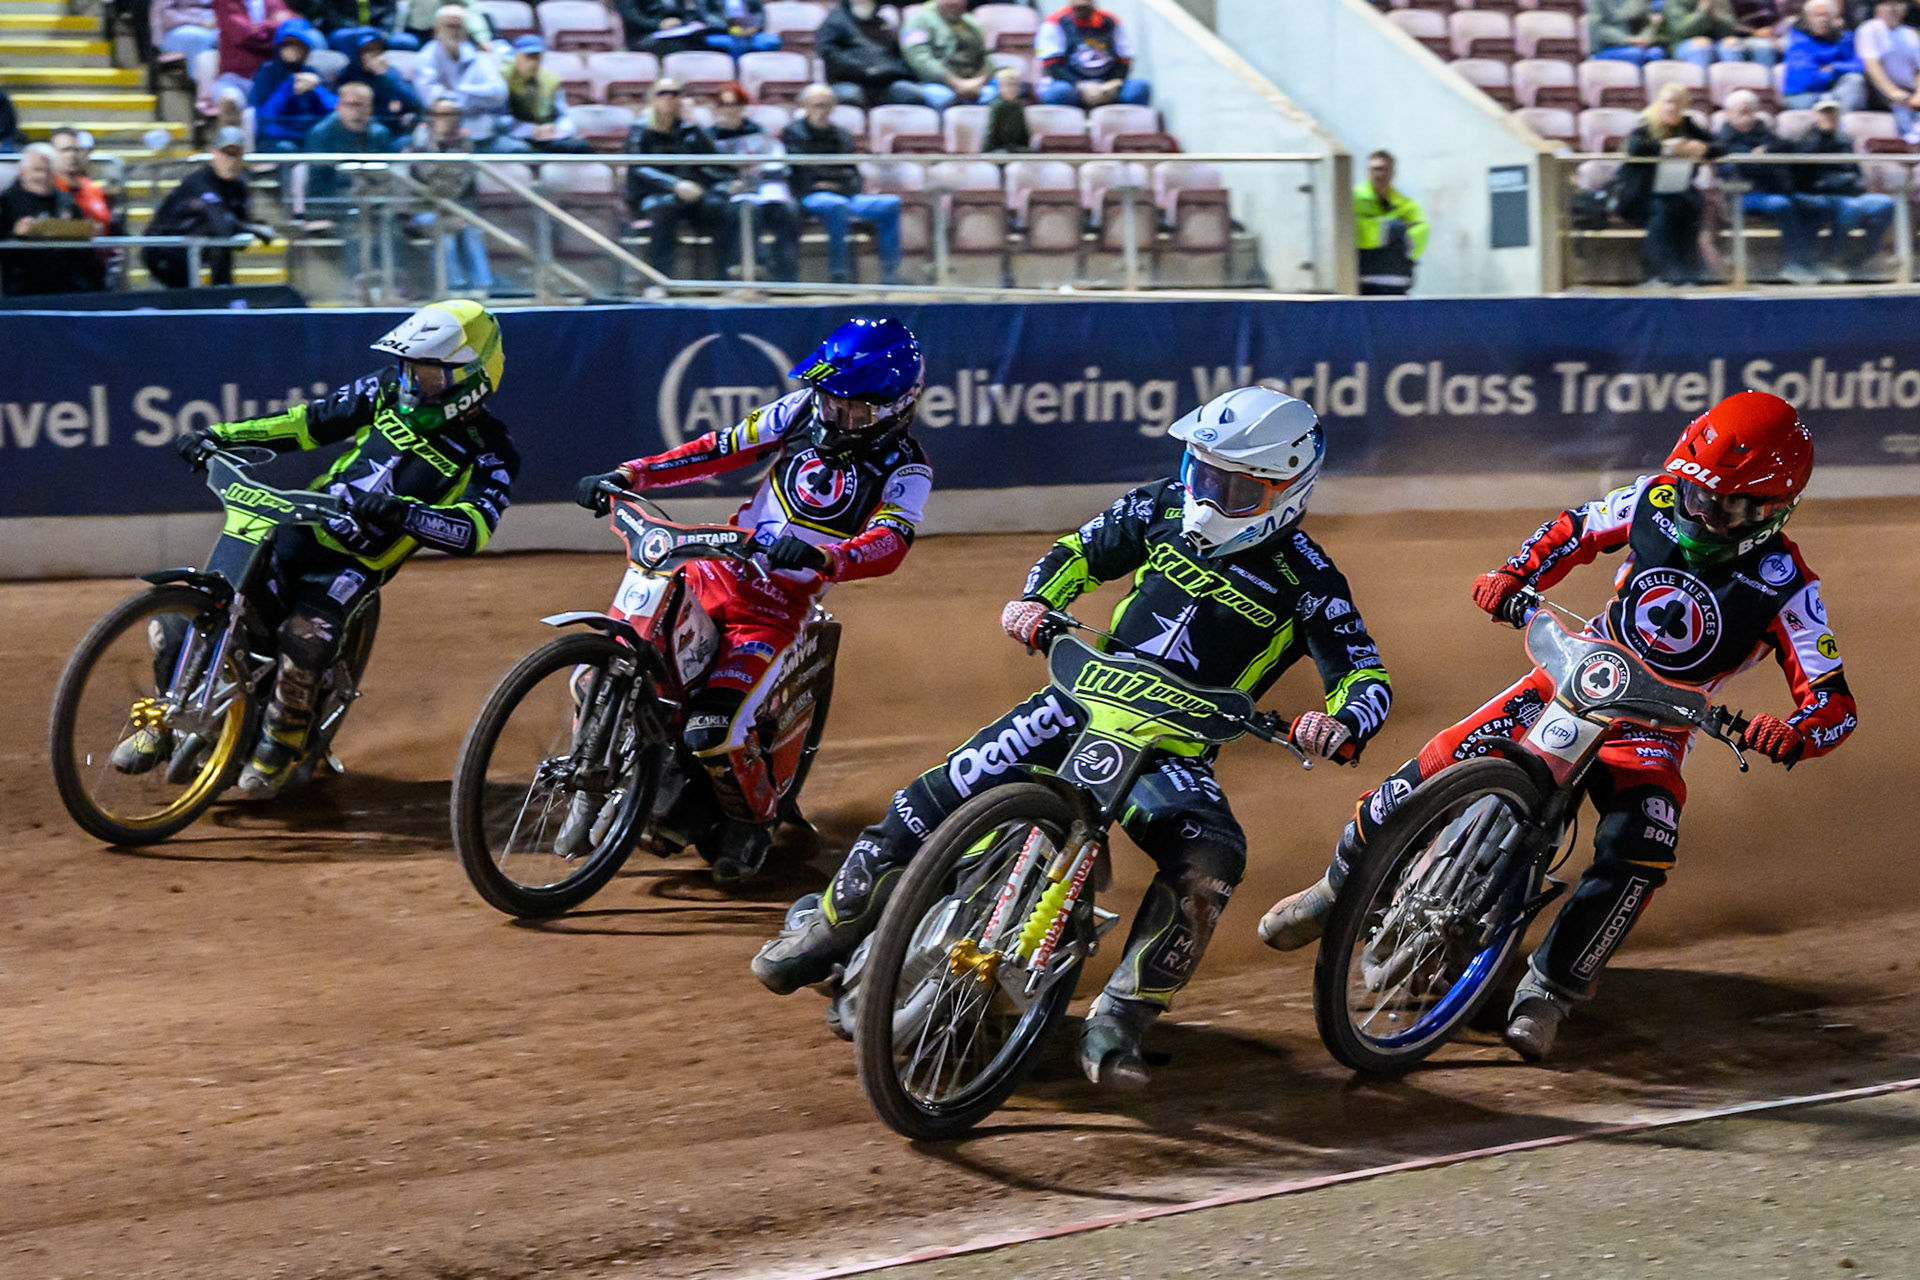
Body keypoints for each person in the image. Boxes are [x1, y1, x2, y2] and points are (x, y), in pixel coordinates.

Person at [753, 386, 1396, 1088]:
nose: (1209, 496)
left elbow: (1364, 675)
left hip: (1172, 752)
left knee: (1213, 855)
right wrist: (1038, 600)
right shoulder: (1159, 504)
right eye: (1202, 473)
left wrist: (1340, 724)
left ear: (1287, 491)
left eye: (1236, 487)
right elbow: (1079, 551)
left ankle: (1122, 1014)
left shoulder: (1310, 582)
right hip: (1073, 703)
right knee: (933, 795)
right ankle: (830, 924)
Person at [1260, 392, 1856, 1064]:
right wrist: (1514, 574)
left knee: (1644, 846)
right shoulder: (1654, 498)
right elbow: (1575, 529)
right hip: (1577, 671)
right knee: (1438, 759)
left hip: (1656, 728)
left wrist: (1795, 732)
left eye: (1723, 507)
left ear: (1773, 511)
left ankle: (1550, 989)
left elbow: (1834, 702)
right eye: (1694, 494)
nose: (1698, 513)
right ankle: (1336, 888)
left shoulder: (1788, 586)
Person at [570, 318, 933, 884]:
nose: (835, 416)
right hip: (712, 568)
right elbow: (718, 449)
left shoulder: (908, 468)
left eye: (854, 411)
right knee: (609, 665)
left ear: (895, 409)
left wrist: (826, 557)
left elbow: (891, 541)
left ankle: (755, 821)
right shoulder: (798, 410)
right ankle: (606, 772)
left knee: (713, 730)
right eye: (830, 401)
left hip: (774, 611)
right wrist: (632, 474)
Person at [134, 303, 517, 793]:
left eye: (427, 374)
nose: (411, 383)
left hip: (352, 566)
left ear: (473, 378)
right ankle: (161, 722)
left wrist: (404, 513)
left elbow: (474, 528)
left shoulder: (492, 450)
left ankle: (282, 740)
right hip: (295, 528)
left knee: (305, 638)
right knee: (179, 621)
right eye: (407, 369)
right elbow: (306, 423)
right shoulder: (383, 389)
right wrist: (218, 437)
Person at [782, 84, 900, 284]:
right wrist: (827, 181)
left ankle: (890, 272)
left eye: (827, 105)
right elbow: (801, 172)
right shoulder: (793, 133)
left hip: (844, 193)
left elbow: (853, 173)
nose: (823, 111)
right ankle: (840, 273)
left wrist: (837, 184)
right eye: (817, 105)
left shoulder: (842, 135)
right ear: (806, 107)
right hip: (810, 195)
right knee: (836, 205)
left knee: (890, 204)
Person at [624, 78, 736, 278]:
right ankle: (659, 280)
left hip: (692, 194)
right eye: (663, 93)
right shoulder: (641, 129)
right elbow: (638, 167)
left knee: (721, 207)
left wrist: (694, 126)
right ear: (652, 99)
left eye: (675, 94)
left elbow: (716, 163)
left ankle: (723, 279)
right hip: (654, 194)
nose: (669, 98)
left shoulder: (689, 129)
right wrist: (675, 185)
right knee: (664, 209)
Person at [1615, 81, 1719, 286]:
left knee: (1693, 203)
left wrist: (1702, 148)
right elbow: (1635, 148)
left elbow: (1719, 146)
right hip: (1642, 193)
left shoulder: (1687, 124)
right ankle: (1659, 275)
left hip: (1677, 189)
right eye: (1667, 102)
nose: (1672, 108)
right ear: (1659, 103)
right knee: (1662, 210)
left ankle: (1688, 274)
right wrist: (1666, 147)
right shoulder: (1645, 124)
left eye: (1677, 103)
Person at [143, 126, 274, 287]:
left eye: (235, 154)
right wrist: (252, 229)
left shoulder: (239, 187)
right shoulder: (199, 183)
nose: (231, 161)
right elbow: (222, 225)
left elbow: (237, 235)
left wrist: (250, 228)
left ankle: (223, 294)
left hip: (196, 247)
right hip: (164, 249)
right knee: (216, 235)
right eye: (226, 154)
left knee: (219, 242)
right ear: (213, 154)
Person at [1715, 89, 1822, 283]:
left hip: (1774, 190)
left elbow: (1787, 147)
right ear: (1729, 113)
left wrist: (1765, 152)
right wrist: (1762, 158)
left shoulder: (1762, 131)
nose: (1749, 118)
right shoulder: (1723, 139)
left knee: (1818, 206)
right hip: (1741, 195)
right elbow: (1744, 167)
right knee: (1780, 205)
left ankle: (1808, 261)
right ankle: (1797, 263)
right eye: (1743, 112)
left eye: (1752, 112)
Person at [1793, 95, 1896, 278]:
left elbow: (1854, 171)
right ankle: (1828, 260)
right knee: (1851, 207)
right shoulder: (1807, 140)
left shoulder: (1845, 139)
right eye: (1824, 112)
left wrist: (1854, 183)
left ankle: (1860, 258)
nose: (1829, 116)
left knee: (1884, 204)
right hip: (1820, 194)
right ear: (1816, 115)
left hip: (1848, 193)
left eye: (1833, 112)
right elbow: (1805, 176)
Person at [711, 80, 800, 280]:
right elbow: (707, 172)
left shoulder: (758, 131)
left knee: (788, 209)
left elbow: (772, 163)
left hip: (761, 188)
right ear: (718, 108)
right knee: (749, 211)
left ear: (743, 106)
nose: (730, 110)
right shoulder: (708, 137)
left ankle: (787, 278)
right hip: (726, 192)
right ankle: (746, 273)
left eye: (735, 104)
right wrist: (728, 185)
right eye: (725, 105)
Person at [407, 95, 494, 294]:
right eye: (441, 115)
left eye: (453, 115)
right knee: (444, 233)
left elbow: (463, 184)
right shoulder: (417, 146)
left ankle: (482, 286)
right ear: (431, 118)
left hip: (459, 210)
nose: (447, 120)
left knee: (471, 229)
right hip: (425, 210)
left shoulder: (466, 146)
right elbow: (429, 182)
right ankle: (452, 288)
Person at [0, 144, 101, 296]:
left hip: (68, 288)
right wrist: (15, 234)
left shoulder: (66, 201)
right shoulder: (7, 202)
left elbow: (86, 253)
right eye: (37, 170)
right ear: (22, 172)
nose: (43, 176)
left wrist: (87, 231)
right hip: (21, 289)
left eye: (48, 171)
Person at [415, 3, 516, 151]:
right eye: (450, 26)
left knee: (515, 148)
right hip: (440, 132)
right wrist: (474, 99)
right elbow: (431, 98)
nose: (454, 32)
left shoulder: (477, 57)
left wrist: (458, 91)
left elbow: (499, 93)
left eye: (459, 27)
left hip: (481, 131)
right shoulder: (427, 56)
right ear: (437, 29)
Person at [1035, 0, 1150, 108]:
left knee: (1139, 87)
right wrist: (1082, 86)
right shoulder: (1055, 21)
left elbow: (1124, 59)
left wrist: (1113, 83)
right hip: (1073, 86)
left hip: (1107, 85)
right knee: (1057, 92)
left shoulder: (1110, 20)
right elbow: (1051, 65)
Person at [817, 0, 926, 108]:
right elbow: (829, 53)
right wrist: (862, 68)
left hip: (885, 82)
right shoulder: (835, 22)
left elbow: (896, 55)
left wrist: (891, 71)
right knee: (851, 96)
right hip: (849, 81)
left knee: (912, 94)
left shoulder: (881, 23)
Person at [500, 35, 597, 153]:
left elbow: (563, 115)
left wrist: (556, 129)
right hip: (514, 136)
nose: (534, 63)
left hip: (545, 137)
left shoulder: (549, 80)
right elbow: (498, 120)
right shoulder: (502, 80)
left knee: (581, 146)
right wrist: (531, 130)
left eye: (537, 58)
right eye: (528, 57)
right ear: (516, 56)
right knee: (520, 149)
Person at [251, 19, 337, 152]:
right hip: (275, 138)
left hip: (309, 136)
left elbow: (333, 108)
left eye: (298, 45)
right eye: (288, 44)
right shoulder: (267, 72)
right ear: (279, 47)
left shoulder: (311, 73)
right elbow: (266, 116)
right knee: (286, 148)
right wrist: (290, 86)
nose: (293, 49)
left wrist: (316, 90)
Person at [899, 0, 998, 111]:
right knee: (941, 97)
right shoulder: (916, 21)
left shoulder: (973, 23)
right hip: (936, 84)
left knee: (1007, 86)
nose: (954, 2)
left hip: (976, 84)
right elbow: (919, 59)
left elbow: (986, 58)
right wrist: (957, 83)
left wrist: (979, 82)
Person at [1354, 149, 1427, 296]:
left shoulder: (1406, 203)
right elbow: (1354, 233)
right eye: (1375, 169)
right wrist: (1396, 229)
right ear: (1368, 172)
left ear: (1393, 172)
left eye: (1385, 169)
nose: (1380, 174)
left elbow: (1420, 235)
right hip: (1362, 283)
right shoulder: (1353, 199)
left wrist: (1376, 228)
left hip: (1399, 283)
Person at [1783, 0, 1868, 111]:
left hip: (1834, 93)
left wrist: (1834, 68)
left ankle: (1843, 119)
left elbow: (1860, 65)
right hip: (1804, 95)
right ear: (1806, 19)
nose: (1822, 20)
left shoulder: (1845, 38)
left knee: (1855, 80)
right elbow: (1807, 79)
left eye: (1826, 15)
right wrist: (1833, 75)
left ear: (1834, 18)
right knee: (1830, 102)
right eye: (1817, 15)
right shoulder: (1799, 40)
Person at [1857, 0, 1920, 141]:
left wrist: (1918, 95)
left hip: (1910, 91)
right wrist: (1893, 92)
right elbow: (1872, 67)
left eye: (1897, 4)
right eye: (1888, 4)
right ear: (1878, 8)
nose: (1893, 9)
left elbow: (1918, 70)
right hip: (1880, 93)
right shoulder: (1869, 29)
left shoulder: (1910, 34)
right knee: (1906, 121)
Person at [339, 30, 425, 132]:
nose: (373, 55)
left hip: (389, 127)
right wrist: (388, 109)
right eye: (367, 50)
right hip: (357, 124)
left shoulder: (390, 73)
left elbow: (414, 102)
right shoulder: (348, 74)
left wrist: (384, 76)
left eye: (377, 50)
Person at [213, 0, 296, 103]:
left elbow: (293, 23)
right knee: (230, 99)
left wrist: (260, 28)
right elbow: (244, 35)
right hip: (238, 78)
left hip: (272, 79)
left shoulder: (273, 1)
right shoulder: (225, 2)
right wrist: (275, 24)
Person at [1663, 0, 1778, 68]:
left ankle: (1738, 91)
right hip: (1684, 44)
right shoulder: (1675, 2)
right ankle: (1701, 96)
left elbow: (1728, 29)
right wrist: (1703, 11)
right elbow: (1683, 31)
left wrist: (1716, 15)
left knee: (1732, 46)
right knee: (1701, 49)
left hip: (1716, 43)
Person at [1589, 0, 1666, 66]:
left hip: (1639, 45)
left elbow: (1649, 23)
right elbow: (1599, 29)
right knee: (1636, 54)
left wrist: (1644, 39)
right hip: (1607, 47)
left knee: (1656, 53)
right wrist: (1629, 40)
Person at [984, 65, 1030, 150]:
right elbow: (990, 136)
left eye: (1014, 85)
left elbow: (1024, 136)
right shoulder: (996, 106)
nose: (1011, 89)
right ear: (999, 87)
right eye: (1007, 85)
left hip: (1016, 149)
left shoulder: (1020, 106)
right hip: (999, 150)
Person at [153, 0, 220, 59]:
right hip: (180, 27)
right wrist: (199, 23)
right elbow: (165, 15)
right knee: (196, 38)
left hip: (216, 23)